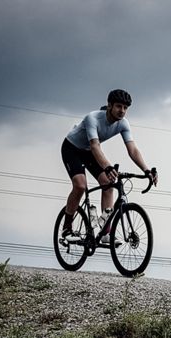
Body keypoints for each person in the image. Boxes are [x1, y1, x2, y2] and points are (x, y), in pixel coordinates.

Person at [60, 88, 157, 243]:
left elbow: (132, 150)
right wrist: (107, 167)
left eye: (125, 108)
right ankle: (66, 228)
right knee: (80, 185)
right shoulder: (93, 118)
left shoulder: (123, 124)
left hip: (89, 151)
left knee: (108, 184)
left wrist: (146, 170)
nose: (122, 111)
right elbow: (95, 146)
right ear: (110, 105)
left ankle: (106, 233)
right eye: (119, 106)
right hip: (72, 148)